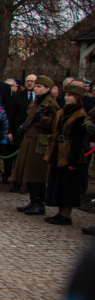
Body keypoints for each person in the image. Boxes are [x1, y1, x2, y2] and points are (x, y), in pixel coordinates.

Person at [13, 76, 59, 215]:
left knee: (37, 173)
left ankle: (39, 203)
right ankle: (33, 201)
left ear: (47, 89)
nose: (36, 88)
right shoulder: (36, 102)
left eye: (39, 86)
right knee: (29, 172)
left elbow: (55, 124)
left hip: (40, 141)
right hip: (30, 139)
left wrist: (43, 120)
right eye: (36, 86)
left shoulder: (50, 104)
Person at [44, 83, 90, 226]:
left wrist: (73, 161)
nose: (66, 97)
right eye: (66, 95)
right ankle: (60, 212)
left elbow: (78, 140)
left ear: (77, 98)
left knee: (69, 184)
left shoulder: (80, 115)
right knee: (58, 181)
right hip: (58, 151)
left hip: (70, 152)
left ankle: (66, 214)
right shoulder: (62, 112)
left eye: (70, 95)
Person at [7, 74, 38, 191]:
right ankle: (16, 182)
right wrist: (10, 131)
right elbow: (11, 114)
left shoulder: (39, 98)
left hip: (33, 133)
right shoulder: (17, 96)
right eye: (28, 81)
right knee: (16, 159)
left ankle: (29, 185)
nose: (30, 83)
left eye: (32, 81)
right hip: (18, 131)